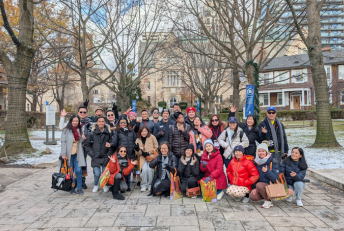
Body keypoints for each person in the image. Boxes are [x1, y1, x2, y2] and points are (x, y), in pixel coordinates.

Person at [59, 106, 93, 189]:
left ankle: (82, 180)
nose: (82, 114)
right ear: (78, 113)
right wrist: (62, 117)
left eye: (84, 112)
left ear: (87, 113)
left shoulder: (89, 122)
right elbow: (61, 128)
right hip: (74, 148)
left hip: (84, 147)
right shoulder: (72, 123)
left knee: (82, 165)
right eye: (81, 112)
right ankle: (72, 182)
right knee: (71, 166)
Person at [83, 117, 112, 193]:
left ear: (105, 122)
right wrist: (92, 154)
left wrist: (109, 153)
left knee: (104, 173)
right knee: (97, 173)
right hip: (95, 156)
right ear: (97, 122)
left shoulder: (108, 133)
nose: (101, 123)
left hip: (105, 156)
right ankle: (96, 185)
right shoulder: (91, 133)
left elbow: (112, 144)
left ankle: (104, 184)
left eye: (103, 121)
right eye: (99, 121)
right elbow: (87, 145)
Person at [60, 115, 86, 195]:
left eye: (76, 121)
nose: (75, 122)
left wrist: (83, 138)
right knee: (70, 171)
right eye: (73, 121)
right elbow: (63, 142)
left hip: (77, 154)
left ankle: (79, 187)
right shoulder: (66, 130)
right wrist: (63, 154)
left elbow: (80, 142)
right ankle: (72, 187)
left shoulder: (80, 130)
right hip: (68, 154)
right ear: (71, 121)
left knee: (78, 170)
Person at [110, 115, 137, 191]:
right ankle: (122, 184)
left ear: (127, 123)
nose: (123, 124)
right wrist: (111, 145)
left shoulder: (131, 131)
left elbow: (135, 140)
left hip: (130, 153)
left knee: (129, 170)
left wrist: (137, 146)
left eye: (124, 122)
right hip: (122, 154)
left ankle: (128, 185)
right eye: (121, 122)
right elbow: (114, 142)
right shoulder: (117, 132)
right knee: (123, 170)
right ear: (119, 123)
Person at [249, 143, 279, 208]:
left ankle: (268, 201)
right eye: (259, 151)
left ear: (266, 152)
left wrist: (267, 171)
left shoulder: (272, 161)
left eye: (263, 151)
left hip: (270, 185)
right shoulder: (256, 162)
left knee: (259, 185)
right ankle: (267, 196)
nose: (261, 153)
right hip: (260, 187)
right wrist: (254, 188)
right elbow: (254, 177)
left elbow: (275, 179)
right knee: (253, 196)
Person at [134, 126, 159, 192]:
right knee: (144, 170)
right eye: (142, 131)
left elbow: (156, 147)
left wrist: (148, 153)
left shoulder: (152, 137)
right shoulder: (138, 139)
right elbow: (137, 153)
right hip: (142, 158)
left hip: (151, 156)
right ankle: (144, 185)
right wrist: (138, 150)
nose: (144, 133)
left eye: (145, 131)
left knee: (150, 170)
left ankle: (150, 185)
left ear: (147, 131)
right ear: (140, 132)